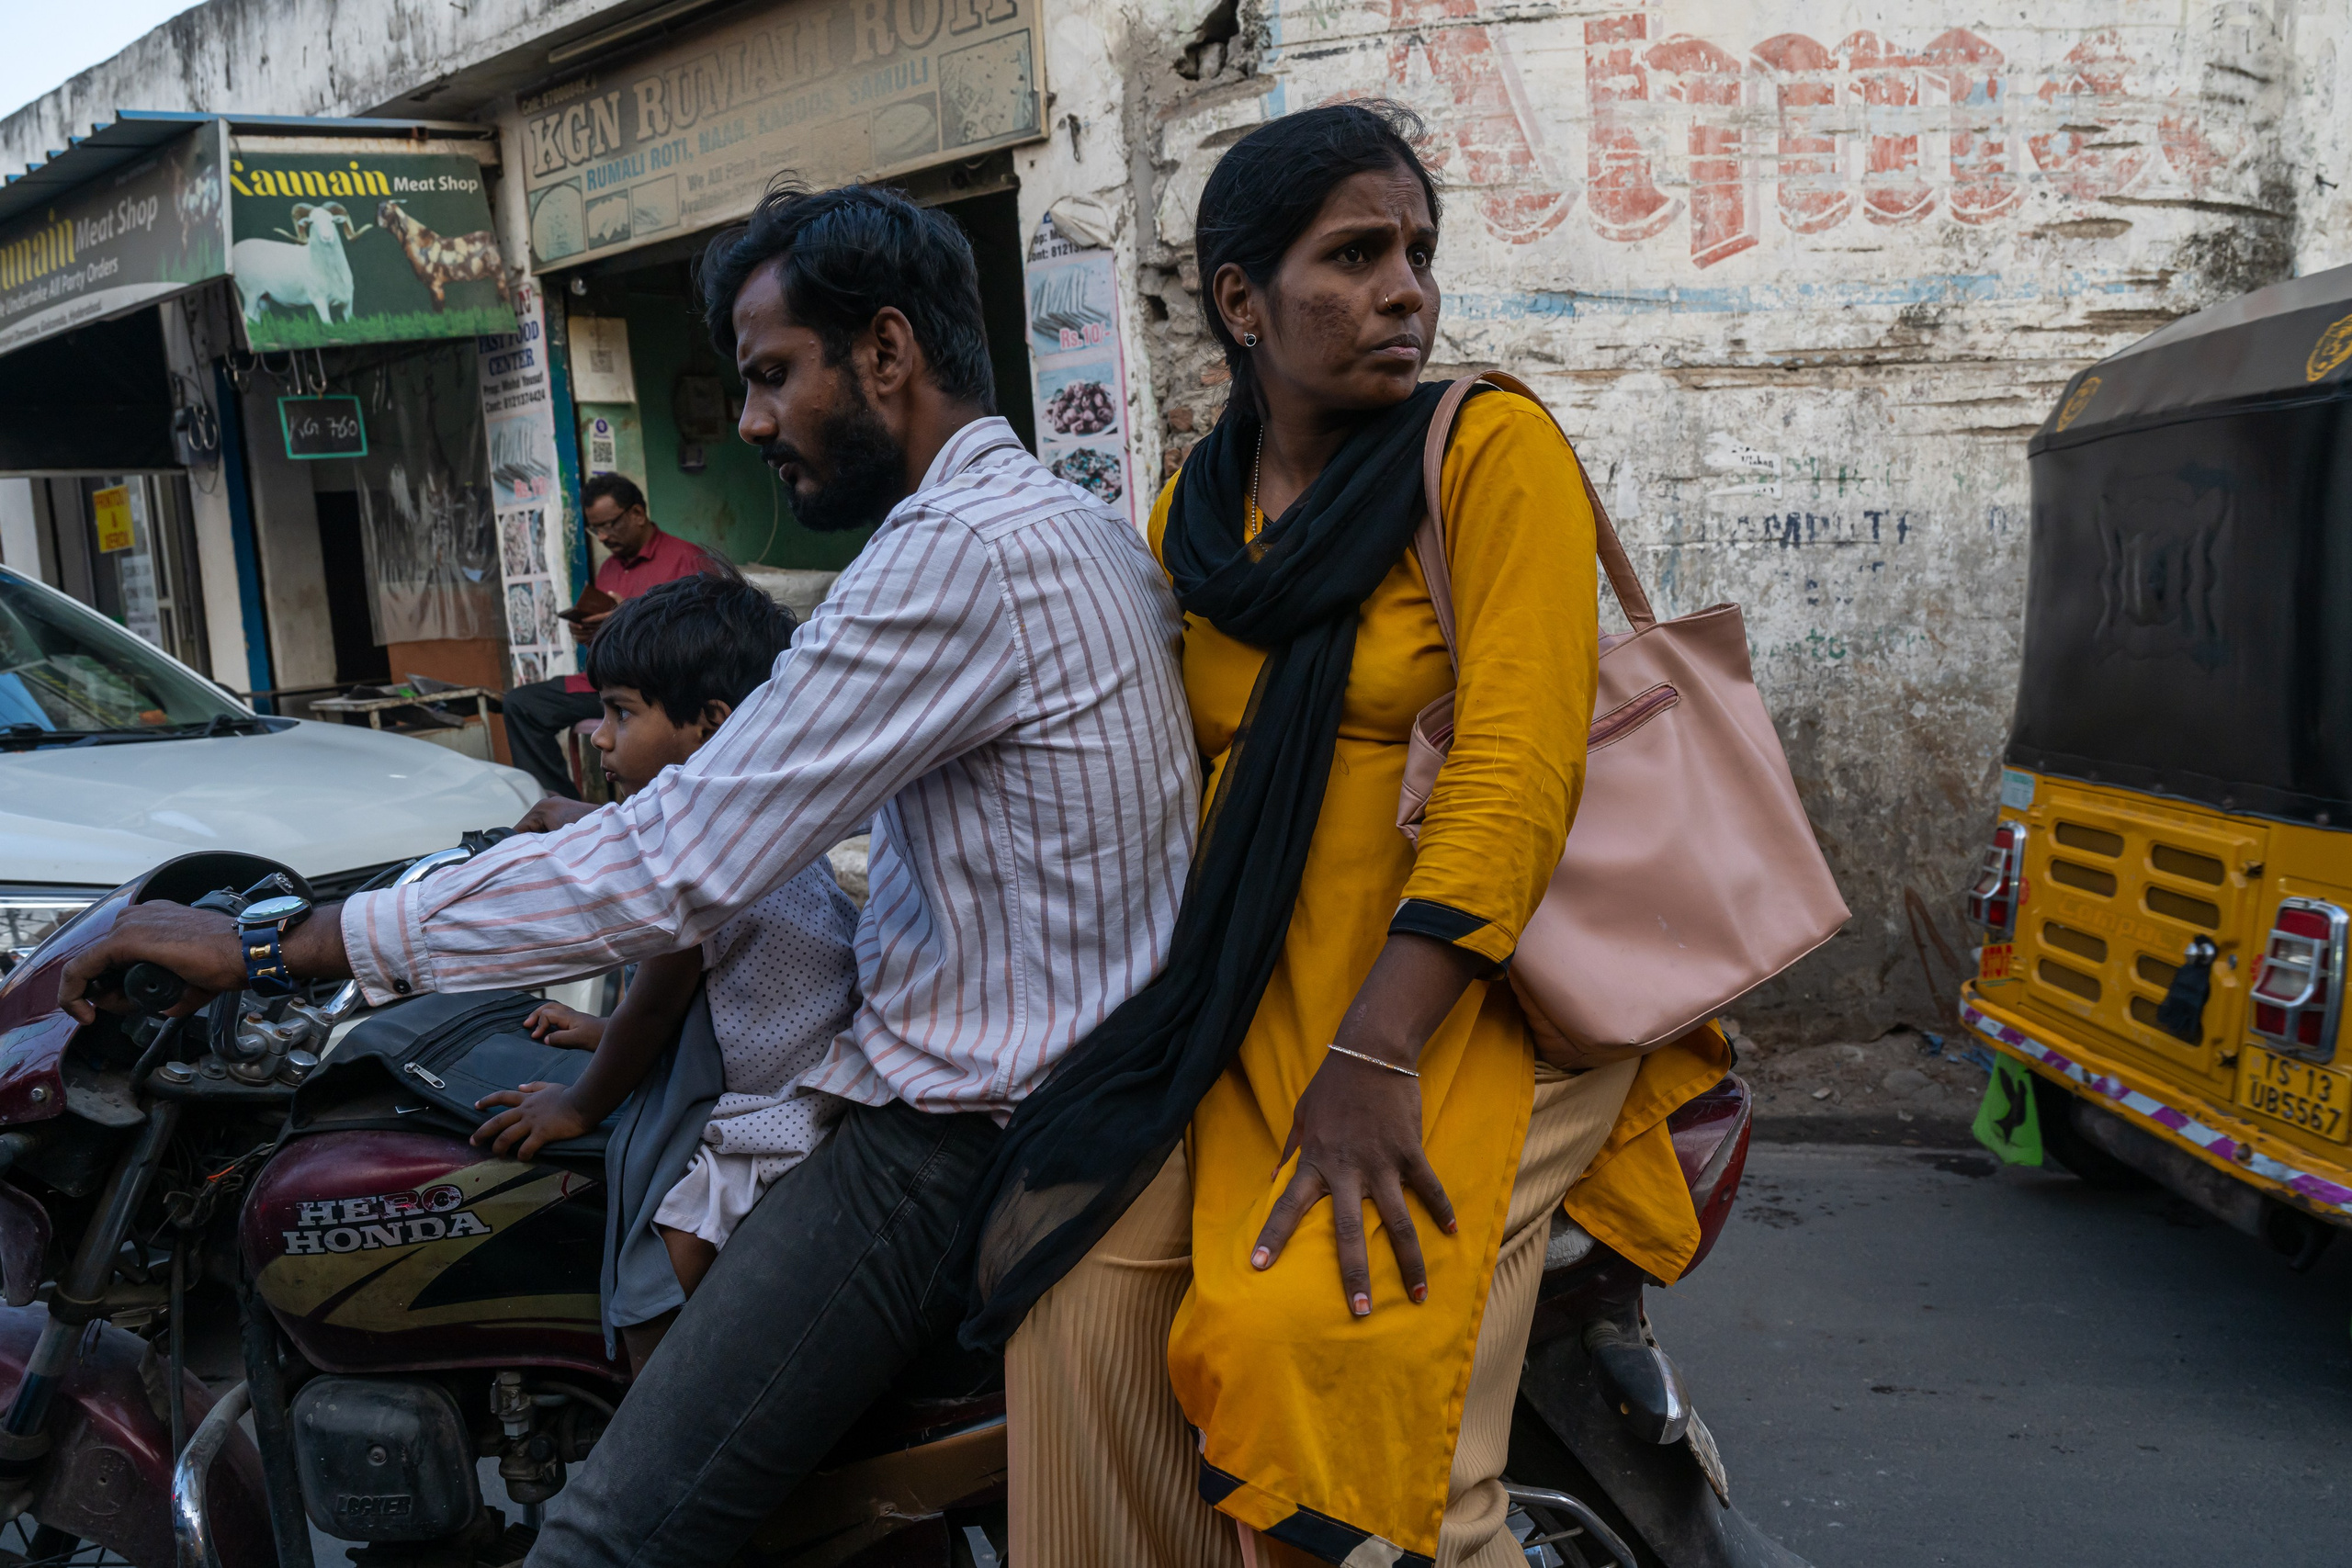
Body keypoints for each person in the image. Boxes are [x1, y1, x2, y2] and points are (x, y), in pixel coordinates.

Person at [62, 180, 1199, 1568]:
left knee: (604, 1538)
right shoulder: (1072, 524)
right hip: (1073, 1077)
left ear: (888, 353)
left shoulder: (954, 556)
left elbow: (673, 860)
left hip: (952, 1136)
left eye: (775, 375)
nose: (757, 422)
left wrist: (276, 941)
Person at [964, 103, 1732, 1567]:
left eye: (1418, 254)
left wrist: (1379, 1051)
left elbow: (1516, 764)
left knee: (1304, 1343)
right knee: (1066, 1291)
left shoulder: (1487, 451)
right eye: (1355, 253)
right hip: (1252, 1007)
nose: (1406, 290)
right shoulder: (1195, 511)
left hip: (1469, 1005)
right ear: (1241, 301)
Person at [469, 570, 860, 1376]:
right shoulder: (764, 818)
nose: (598, 736)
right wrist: (603, 1031)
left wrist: (578, 1104)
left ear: (711, 726)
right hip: (801, 1063)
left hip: (782, 1113)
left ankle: (660, 1425)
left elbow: (655, 1011)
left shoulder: (691, 872)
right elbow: (720, 991)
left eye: (621, 711)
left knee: (655, 1282)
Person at [502, 473, 720, 799]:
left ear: (636, 514)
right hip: (607, 683)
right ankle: (561, 808)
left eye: (610, 524)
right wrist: (590, 633)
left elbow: (705, 638)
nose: (603, 536)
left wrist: (628, 618)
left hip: (658, 685)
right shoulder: (609, 569)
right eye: (596, 528)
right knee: (522, 704)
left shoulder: (688, 559)